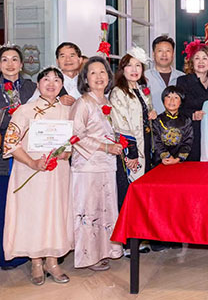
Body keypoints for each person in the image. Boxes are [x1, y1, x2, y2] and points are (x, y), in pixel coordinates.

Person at [2, 67, 73, 286]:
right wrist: (32, 162)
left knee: (56, 214)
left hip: (58, 173)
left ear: (62, 85)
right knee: (34, 215)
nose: (51, 84)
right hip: (30, 171)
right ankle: (35, 262)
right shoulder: (25, 110)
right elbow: (10, 142)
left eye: (56, 80)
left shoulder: (67, 110)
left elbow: (71, 142)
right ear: (38, 84)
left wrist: (66, 153)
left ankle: (52, 261)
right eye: (46, 79)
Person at [0, 44, 37, 270]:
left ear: (22, 65)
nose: (10, 64)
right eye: (5, 59)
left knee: (29, 204)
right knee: (4, 205)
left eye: (15, 59)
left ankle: (32, 252)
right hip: (2, 158)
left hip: (30, 155)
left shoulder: (33, 88)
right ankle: (6, 255)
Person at [70, 56, 124, 270]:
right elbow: (75, 136)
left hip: (107, 165)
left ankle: (105, 250)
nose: (99, 77)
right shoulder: (83, 103)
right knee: (89, 211)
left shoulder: (108, 102)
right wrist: (105, 147)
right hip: (87, 165)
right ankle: (88, 256)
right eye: (93, 73)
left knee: (105, 210)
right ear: (85, 78)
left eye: (102, 72)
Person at [109, 47, 156, 209]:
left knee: (144, 191)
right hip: (131, 149)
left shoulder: (142, 90)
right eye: (129, 65)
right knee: (130, 192)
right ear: (122, 69)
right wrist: (132, 153)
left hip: (146, 144)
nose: (134, 70)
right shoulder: (118, 92)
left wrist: (152, 113)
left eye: (138, 65)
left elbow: (145, 113)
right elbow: (120, 125)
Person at [176, 40, 208, 161]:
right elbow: (177, 109)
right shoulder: (183, 81)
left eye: (205, 58)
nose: (201, 62)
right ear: (192, 62)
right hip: (191, 133)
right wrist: (193, 114)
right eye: (197, 58)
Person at [152, 86, 193, 165]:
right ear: (163, 100)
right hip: (161, 161)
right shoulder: (157, 120)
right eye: (168, 97)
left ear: (181, 102)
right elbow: (156, 141)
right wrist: (167, 157)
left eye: (176, 97)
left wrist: (178, 159)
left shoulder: (186, 120)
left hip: (180, 161)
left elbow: (188, 141)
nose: (172, 100)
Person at [146, 36, 184, 112]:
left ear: (173, 54)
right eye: (160, 51)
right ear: (153, 54)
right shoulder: (144, 77)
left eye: (168, 51)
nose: (164, 54)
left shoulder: (183, 78)